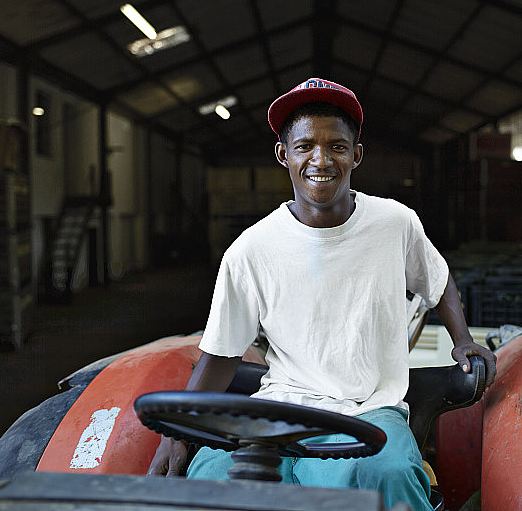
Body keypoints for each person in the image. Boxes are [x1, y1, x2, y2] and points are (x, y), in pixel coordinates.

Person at [148, 78, 497, 511]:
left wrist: (462, 339)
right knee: (210, 475)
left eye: (336, 146)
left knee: (389, 474)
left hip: (368, 409)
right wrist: (176, 435)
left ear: (356, 154)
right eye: (305, 145)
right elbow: (220, 355)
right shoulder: (251, 249)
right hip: (279, 407)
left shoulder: (394, 223)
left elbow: (438, 278)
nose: (321, 159)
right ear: (284, 154)